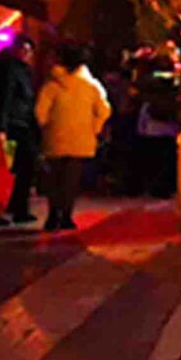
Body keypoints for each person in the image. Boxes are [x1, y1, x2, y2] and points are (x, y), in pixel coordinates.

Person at [32, 41, 110, 234]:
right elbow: (104, 110)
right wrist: (94, 128)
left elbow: (40, 111)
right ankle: (66, 216)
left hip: (55, 137)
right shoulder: (92, 85)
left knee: (54, 178)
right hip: (81, 138)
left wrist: (47, 126)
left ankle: (53, 215)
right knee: (71, 180)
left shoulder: (52, 85)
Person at [0, 36, 41, 227]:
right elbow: (4, 99)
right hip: (11, 127)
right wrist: (1, 128)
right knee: (3, 169)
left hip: (20, 125)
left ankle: (16, 208)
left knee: (20, 167)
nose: (27, 54)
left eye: (29, 51)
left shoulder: (21, 71)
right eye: (24, 50)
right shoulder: (9, 71)